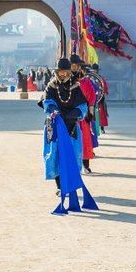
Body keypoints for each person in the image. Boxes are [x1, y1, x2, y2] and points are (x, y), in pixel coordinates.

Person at [42, 58, 88, 195]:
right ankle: (59, 186)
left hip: (71, 125)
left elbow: (82, 106)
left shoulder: (76, 87)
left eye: (65, 72)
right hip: (54, 125)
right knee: (54, 156)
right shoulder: (51, 86)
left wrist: (74, 113)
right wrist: (53, 111)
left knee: (71, 155)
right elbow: (47, 102)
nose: (62, 74)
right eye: (59, 72)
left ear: (69, 72)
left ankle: (69, 184)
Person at [69, 55, 97, 173]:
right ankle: (72, 165)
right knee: (70, 140)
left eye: (76, 65)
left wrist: (90, 111)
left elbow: (92, 96)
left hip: (83, 115)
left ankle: (86, 165)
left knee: (85, 139)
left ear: (79, 66)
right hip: (69, 115)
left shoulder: (85, 81)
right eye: (72, 65)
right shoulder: (66, 80)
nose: (74, 67)